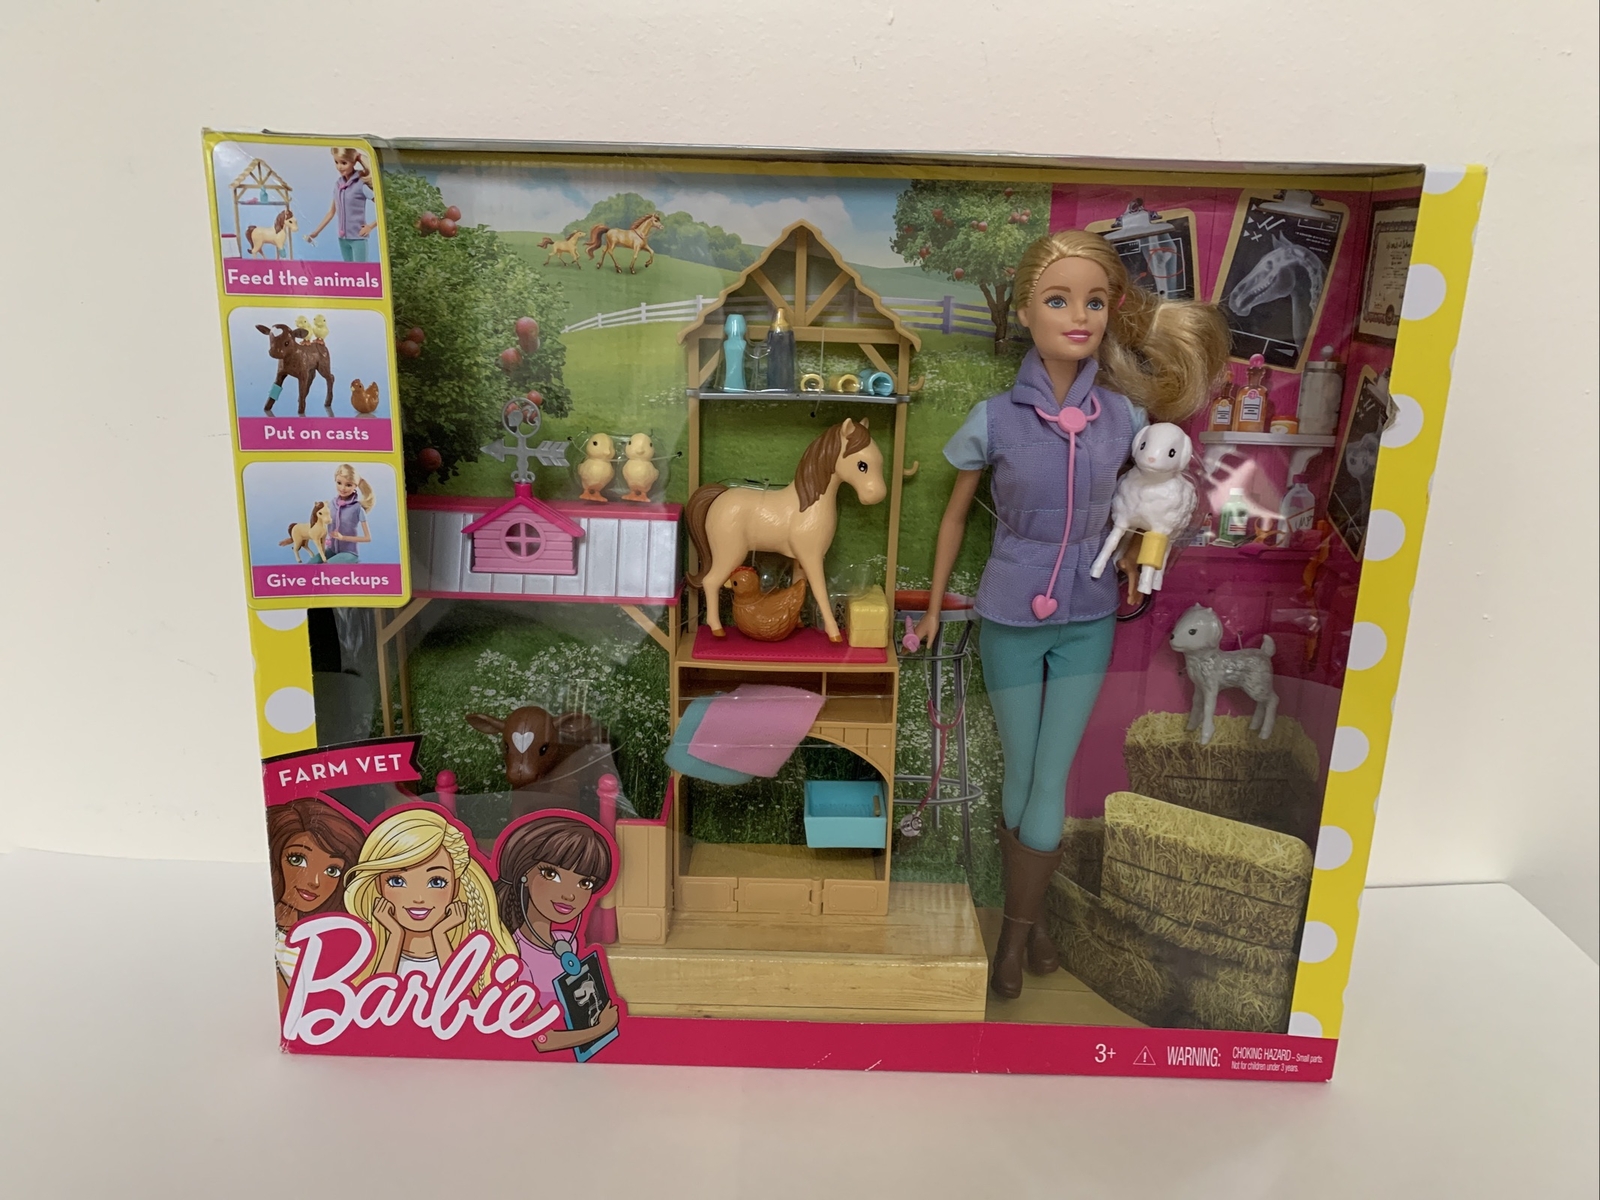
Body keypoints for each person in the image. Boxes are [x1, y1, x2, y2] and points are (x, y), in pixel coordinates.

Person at [913, 229, 1228, 998]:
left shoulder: (1125, 416)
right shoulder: (994, 419)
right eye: (1058, 300)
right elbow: (953, 518)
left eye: (1093, 301)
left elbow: (1144, 498)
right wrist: (931, 608)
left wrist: (1139, 552)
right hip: (1009, 612)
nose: (1078, 317)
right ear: (1025, 312)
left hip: (1087, 615)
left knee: (1050, 774)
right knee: (1023, 772)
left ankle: (1015, 939)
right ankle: (1034, 923)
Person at [342, 808, 515, 992]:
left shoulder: (477, 957)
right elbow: (373, 1003)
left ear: (455, 886)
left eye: (436, 882)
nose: (418, 898)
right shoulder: (361, 954)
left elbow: (464, 1004)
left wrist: (440, 935)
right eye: (397, 881)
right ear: (379, 885)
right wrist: (395, 936)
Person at [492, 813, 621, 1052]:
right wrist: (602, 1028)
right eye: (551, 874)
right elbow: (542, 1040)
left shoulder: (565, 943)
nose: (570, 895)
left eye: (585, 883)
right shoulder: (514, 957)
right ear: (524, 874)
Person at [267, 798, 366, 1008]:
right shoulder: (260, 933)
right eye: (297, 859)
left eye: (333, 870)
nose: (315, 882)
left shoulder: (340, 940)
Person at [306, 147, 376, 262]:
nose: (339, 167)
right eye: (336, 162)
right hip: (342, 239)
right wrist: (316, 232)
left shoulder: (361, 184)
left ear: (353, 162)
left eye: (344, 163)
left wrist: (370, 227)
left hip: (358, 238)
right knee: (348, 270)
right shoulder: (338, 185)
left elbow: (382, 208)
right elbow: (331, 212)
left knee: (361, 270)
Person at [323, 463, 373, 563]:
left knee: (326, 567)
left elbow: (368, 538)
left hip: (349, 552)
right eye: (339, 483)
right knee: (311, 564)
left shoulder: (357, 508)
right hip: (332, 550)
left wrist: (343, 538)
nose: (342, 488)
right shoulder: (331, 504)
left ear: (355, 486)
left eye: (348, 485)